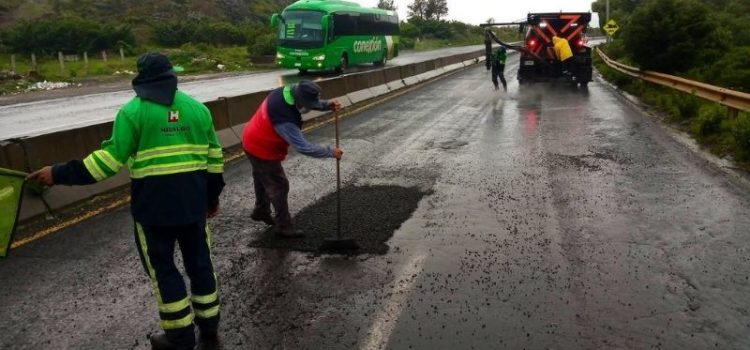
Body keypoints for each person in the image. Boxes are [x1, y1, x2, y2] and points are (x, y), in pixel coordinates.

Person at [26, 52, 225, 350]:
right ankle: (209, 325)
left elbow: (104, 164)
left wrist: (57, 173)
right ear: (172, 75)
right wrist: (211, 199)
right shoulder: (198, 110)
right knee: (200, 263)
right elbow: (214, 161)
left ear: (141, 78)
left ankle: (180, 337)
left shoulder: (133, 113)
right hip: (194, 207)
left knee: (163, 269)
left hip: (154, 213)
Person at [242, 80, 343, 238]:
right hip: (262, 147)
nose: (309, 107)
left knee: (262, 176)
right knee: (279, 185)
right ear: (299, 99)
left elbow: (307, 102)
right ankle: (283, 226)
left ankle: (261, 210)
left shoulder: (286, 91)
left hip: (250, 137)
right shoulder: (285, 119)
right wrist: (330, 152)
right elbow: (303, 147)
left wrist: (326, 105)